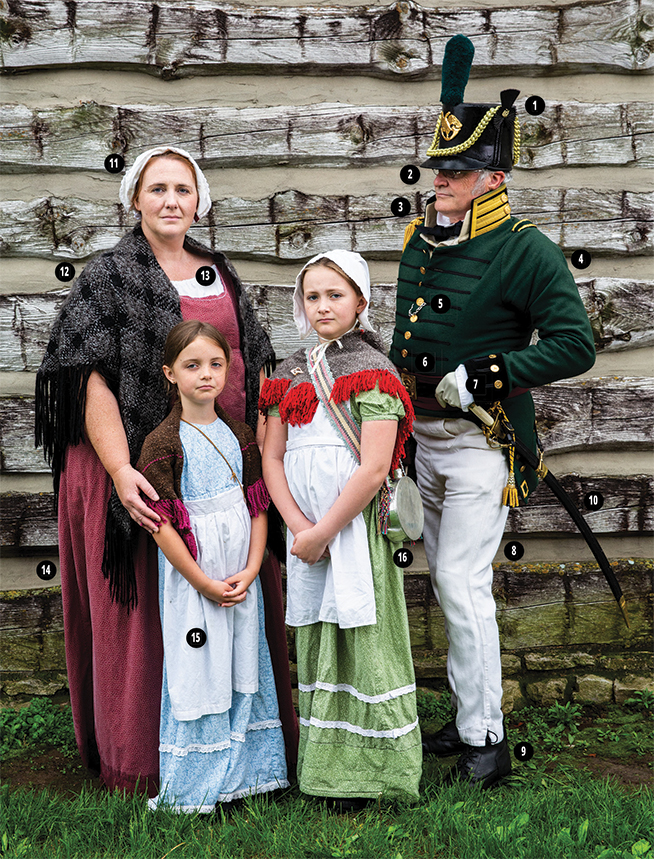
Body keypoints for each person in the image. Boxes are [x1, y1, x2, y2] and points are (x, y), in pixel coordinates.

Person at [35, 145, 297, 795]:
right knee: (150, 607)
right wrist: (123, 469)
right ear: (135, 200)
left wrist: (263, 454)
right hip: (132, 458)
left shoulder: (217, 271)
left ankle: (240, 749)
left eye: (183, 188)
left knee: (231, 586)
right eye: (157, 189)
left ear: (199, 201)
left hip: (222, 461)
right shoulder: (110, 276)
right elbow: (89, 380)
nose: (171, 200)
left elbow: (255, 362)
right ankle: (148, 757)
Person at [389, 35, 596, 788]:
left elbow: (577, 345)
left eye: (458, 170)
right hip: (424, 440)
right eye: (439, 166)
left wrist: (492, 370)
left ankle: (488, 740)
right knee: (446, 581)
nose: (440, 178)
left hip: (484, 445)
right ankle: (469, 717)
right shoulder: (419, 240)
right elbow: (408, 333)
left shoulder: (527, 250)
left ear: (493, 176)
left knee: (461, 581)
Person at [260, 250, 423, 809]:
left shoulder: (372, 370)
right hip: (306, 536)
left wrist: (326, 529)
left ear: (361, 301)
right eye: (313, 296)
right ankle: (326, 772)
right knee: (318, 642)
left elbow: (374, 467)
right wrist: (298, 529)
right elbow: (272, 459)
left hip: (352, 531)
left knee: (364, 640)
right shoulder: (288, 373)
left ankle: (378, 773)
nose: (323, 306)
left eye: (336, 294)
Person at [135, 320, 288, 812]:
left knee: (244, 660)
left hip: (241, 576)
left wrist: (252, 566)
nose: (206, 375)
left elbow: (258, 506)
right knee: (200, 665)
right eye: (192, 365)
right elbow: (162, 527)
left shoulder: (242, 435)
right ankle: (197, 782)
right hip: (193, 578)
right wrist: (201, 581)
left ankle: (247, 776)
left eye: (216, 364)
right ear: (170, 374)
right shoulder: (163, 444)